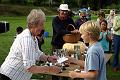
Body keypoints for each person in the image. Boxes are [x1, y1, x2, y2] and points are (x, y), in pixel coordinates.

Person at [0, 9, 61, 80]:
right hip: (9, 77)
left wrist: (48, 58)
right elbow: (30, 67)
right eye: (41, 25)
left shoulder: (32, 36)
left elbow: (37, 53)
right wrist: (50, 69)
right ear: (33, 24)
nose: (43, 27)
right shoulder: (27, 39)